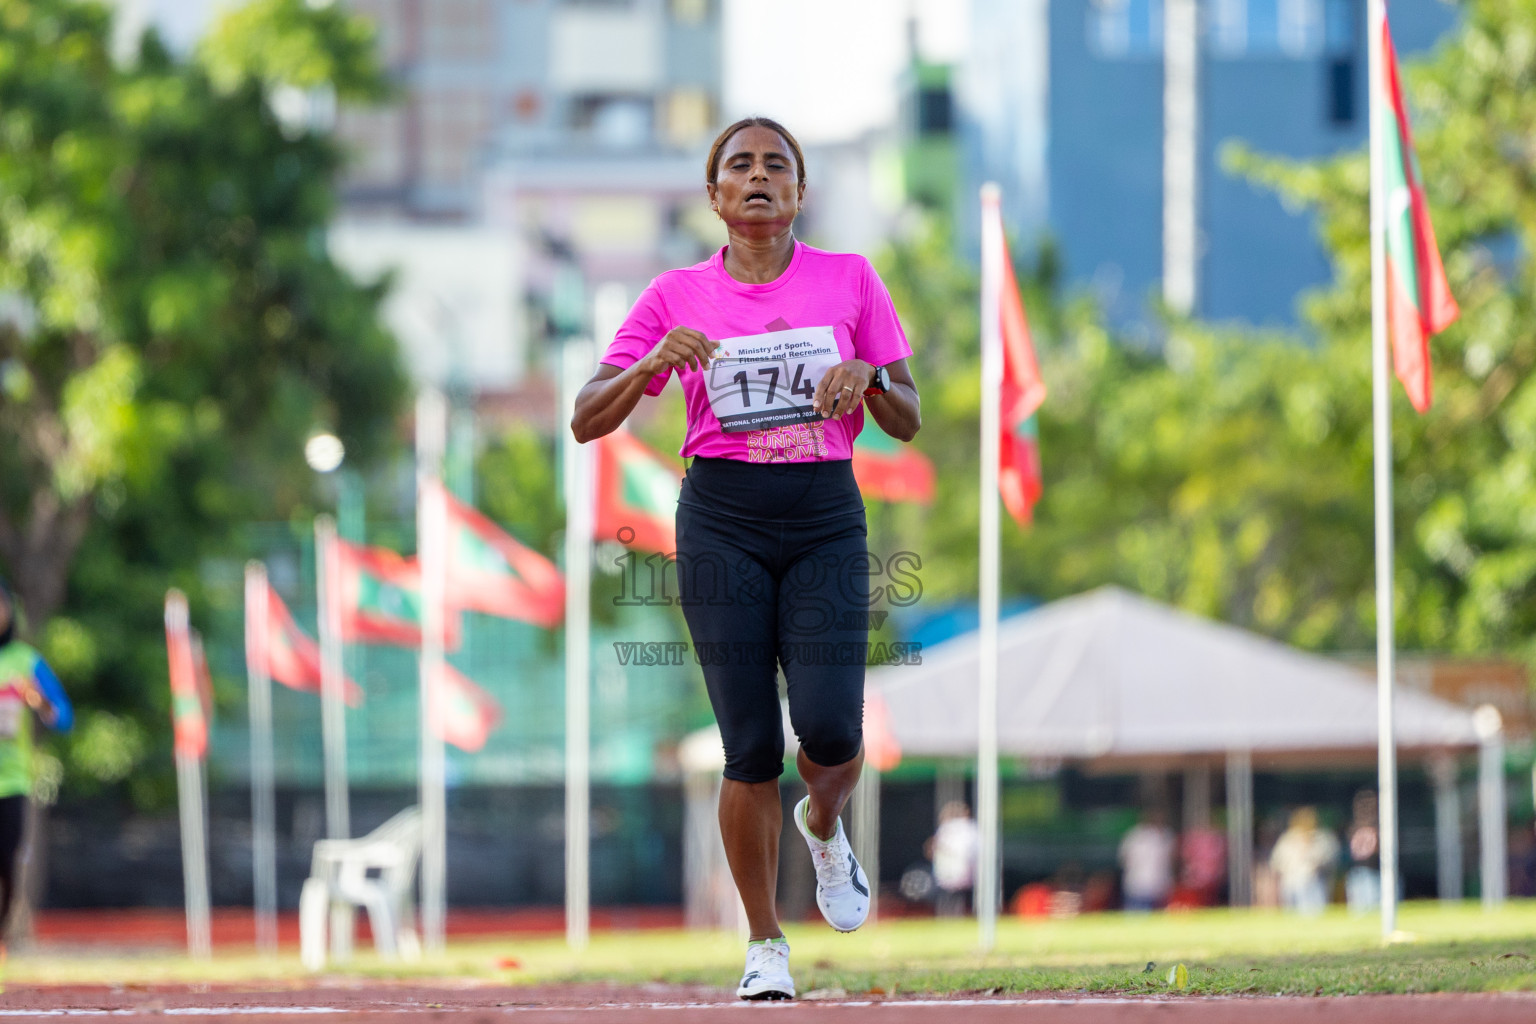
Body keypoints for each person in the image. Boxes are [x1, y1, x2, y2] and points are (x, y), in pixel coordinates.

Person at [571, 117, 921, 1001]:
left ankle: (825, 822)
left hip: (823, 515)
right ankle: (765, 945)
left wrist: (870, 379)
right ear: (715, 195)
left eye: (777, 166)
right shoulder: (673, 292)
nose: (759, 177)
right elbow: (586, 417)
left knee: (833, 730)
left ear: (801, 192)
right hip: (721, 515)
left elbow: (908, 413)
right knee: (749, 744)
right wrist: (653, 360)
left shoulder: (850, 280)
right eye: (740, 166)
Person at [0, 578, 72, 958]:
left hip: (11, 779)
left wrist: (40, 701)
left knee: (6, 861)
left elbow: (63, 717)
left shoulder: (26, 662)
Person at [1269, 806, 1340, 915]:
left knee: (1315, 914)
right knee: (1292, 915)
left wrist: (1313, 857)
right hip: (1292, 882)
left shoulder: (1323, 838)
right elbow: (1277, 861)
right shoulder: (1288, 839)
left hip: (1314, 881)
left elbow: (1330, 858)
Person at [925, 800, 979, 916]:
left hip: (958, 868)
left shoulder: (964, 828)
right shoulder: (949, 828)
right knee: (954, 895)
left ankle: (953, 914)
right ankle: (956, 914)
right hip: (954, 868)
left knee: (954, 895)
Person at [1117, 810, 1176, 911]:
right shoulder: (1134, 836)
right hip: (1137, 884)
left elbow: (1171, 859)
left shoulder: (1166, 836)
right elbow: (1124, 859)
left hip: (1160, 885)